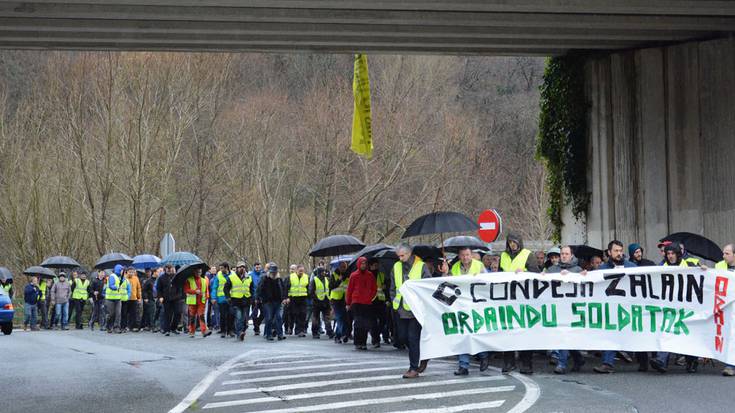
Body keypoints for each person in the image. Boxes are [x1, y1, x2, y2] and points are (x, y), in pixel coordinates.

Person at [649, 242, 701, 374]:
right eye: (668, 254)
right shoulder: (661, 267)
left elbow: (703, 277)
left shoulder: (691, 264)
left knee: (688, 334)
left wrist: (704, 269)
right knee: (667, 331)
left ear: (678, 254)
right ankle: (661, 361)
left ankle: (692, 360)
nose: (670, 256)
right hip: (670, 307)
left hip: (688, 307)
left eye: (673, 254)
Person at [594, 240, 640, 374]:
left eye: (621, 251)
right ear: (609, 252)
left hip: (629, 306)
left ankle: (644, 362)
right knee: (610, 332)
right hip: (611, 308)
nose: (619, 254)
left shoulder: (631, 266)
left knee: (639, 332)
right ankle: (608, 363)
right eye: (616, 251)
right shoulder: (602, 269)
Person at [389, 243, 432, 379]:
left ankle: (413, 368)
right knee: (402, 337)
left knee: (413, 338)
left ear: (409, 254)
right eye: (398, 256)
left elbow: (428, 285)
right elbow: (393, 287)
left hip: (415, 310)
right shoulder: (396, 267)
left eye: (402, 256)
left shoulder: (421, 266)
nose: (400, 258)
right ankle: (423, 355)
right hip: (400, 309)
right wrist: (393, 300)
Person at [500, 233, 540, 374]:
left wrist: (523, 271)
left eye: (515, 242)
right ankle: (508, 362)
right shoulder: (503, 256)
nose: (512, 245)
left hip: (524, 299)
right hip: (507, 298)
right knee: (507, 331)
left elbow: (536, 273)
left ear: (520, 242)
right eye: (510, 242)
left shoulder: (528, 255)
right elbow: (498, 275)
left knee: (525, 332)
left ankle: (526, 363)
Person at [451, 247, 490, 376]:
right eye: (462, 255)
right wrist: (445, 272)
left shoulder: (479, 266)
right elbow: (448, 283)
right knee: (462, 334)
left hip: (476, 305)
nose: (465, 257)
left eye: (467, 255)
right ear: (459, 256)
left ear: (471, 255)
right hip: (461, 305)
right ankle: (463, 365)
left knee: (476, 333)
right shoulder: (454, 267)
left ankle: (484, 355)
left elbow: (488, 282)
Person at [547, 246, 586, 374]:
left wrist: (578, 276)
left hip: (573, 308)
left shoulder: (577, 269)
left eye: (566, 254)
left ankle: (562, 364)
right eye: (562, 254)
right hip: (558, 307)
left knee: (565, 335)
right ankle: (578, 358)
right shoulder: (552, 270)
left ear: (571, 255)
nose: (563, 256)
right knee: (564, 335)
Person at [346, 257, 377, 351]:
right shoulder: (353, 275)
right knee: (358, 323)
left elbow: (374, 288)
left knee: (366, 324)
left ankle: (363, 342)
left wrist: (369, 297)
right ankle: (357, 342)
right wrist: (348, 303)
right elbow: (349, 290)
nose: (363, 265)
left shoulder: (370, 275)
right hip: (356, 302)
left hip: (367, 303)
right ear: (359, 264)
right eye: (362, 263)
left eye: (365, 263)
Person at [716, 244, 735, 376]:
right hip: (726, 306)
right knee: (730, 335)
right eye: (723, 253)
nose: (723, 256)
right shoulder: (719, 266)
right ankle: (730, 365)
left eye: (727, 253)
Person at [258, 263, 286, 341]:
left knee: (279, 318)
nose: (273, 274)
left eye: (275, 272)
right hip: (268, 302)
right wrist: (260, 299)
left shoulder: (279, 280)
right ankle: (268, 334)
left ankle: (280, 334)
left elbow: (283, 290)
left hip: (278, 302)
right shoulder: (265, 279)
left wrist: (284, 298)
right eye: (272, 272)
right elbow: (260, 289)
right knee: (269, 318)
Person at [184, 268, 212, 338]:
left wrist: (206, 298)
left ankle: (204, 331)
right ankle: (191, 331)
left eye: (200, 272)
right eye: (197, 272)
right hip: (192, 302)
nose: (198, 273)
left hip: (201, 301)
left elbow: (206, 291)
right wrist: (195, 291)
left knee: (201, 316)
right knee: (192, 317)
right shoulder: (189, 280)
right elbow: (186, 290)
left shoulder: (204, 280)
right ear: (194, 272)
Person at [283, 264, 309, 337]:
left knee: (303, 314)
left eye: (302, 271)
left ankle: (300, 330)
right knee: (296, 314)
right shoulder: (290, 277)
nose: (301, 272)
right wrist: (286, 297)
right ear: (296, 270)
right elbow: (286, 288)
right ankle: (296, 330)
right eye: (300, 271)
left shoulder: (306, 277)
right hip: (293, 299)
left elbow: (308, 287)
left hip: (303, 298)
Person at [230, 262, 254, 341]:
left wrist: (252, 297)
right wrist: (228, 297)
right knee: (239, 317)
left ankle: (242, 331)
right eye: (240, 267)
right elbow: (226, 288)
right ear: (237, 268)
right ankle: (239, 333)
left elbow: (252, 288)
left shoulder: (249, 277)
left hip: (246, 300)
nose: (242, 268)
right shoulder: (232, 277)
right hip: (236, 300)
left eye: (243, 267)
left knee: (244, 319)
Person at [211, 263, 236, 338]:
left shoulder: (234, 275)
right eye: (220, 268)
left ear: (226, 268)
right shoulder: (218, 275)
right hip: (221, 298)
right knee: (223, 315)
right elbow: (215, 287)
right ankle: (223, 331)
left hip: (231, 297)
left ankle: (231, 330)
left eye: (222, 268)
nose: (221, 270)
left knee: (231, 315)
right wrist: (213, 298)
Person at [369, 259, 390, 346]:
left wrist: (387, 298)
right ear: (370, 266)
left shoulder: (381, 275)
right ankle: (375, 339)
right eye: (374, 265)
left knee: (383, 320)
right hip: (371, 302)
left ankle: (376, 335)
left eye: (377, 265)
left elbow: (386, 288)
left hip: (381, 301)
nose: (376, 267)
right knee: (373, 322)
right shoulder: (368, 275)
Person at [309, 266, 334, 339]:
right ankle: (315, 333)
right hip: (317, 302)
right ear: (319, 272)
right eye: (323, 271)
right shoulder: (314, 280)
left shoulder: (327, 279)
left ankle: (329, 332)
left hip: (326, 301)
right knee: (316, 318)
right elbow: (311, 291)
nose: (324, 273)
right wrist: (316, 298)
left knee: (327, 318)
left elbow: (328, 289)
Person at [158, 264, 182, 336]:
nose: (169, 270)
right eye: (167, 268)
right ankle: (167, 330)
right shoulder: (161, 278)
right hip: (166, 299)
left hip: (176, 298)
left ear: (172, 269)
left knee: (178, 313)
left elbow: (179, 287)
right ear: (165, 269)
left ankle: (174, 328)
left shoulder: (176, 276)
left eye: (170, 268)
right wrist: (160, 297)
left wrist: (178, 295)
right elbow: (159, 289)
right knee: (167, 315)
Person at [329, 262, 350, 344]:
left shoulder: (348, 275)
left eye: (345, 267)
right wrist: (339, 280)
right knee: (339, 317)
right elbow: (331, 286)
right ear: (339, 267)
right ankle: (342, 334)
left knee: (344, 318)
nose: (344, 268)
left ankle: (338, 335)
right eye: (342, 267)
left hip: (345, 299)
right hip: (336, 299)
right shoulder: (334, 275)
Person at [105, 267, 124, 333]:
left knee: (118, 313)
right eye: (121, 270)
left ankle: (116, 327)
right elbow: (111, 285)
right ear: (118, 270)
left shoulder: (121, 277)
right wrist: (116, 287)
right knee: (111, 314)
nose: (122, 272)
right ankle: (108, 326)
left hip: (118, 299)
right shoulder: (112, 276)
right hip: (110, 298)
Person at [249, 262, 264, 335]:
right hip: (254, 297)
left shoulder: (263, 275)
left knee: (263, 313)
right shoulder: (250, 275)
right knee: (254, 313)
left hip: (262, 298)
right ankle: (256, 329)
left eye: (259, 267)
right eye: (256, 267)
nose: (258, 269)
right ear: (254, 267)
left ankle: (257, 323)